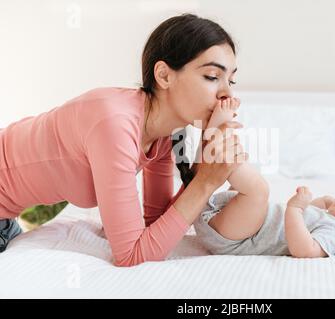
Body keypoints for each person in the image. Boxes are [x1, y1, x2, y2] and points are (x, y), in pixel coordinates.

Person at [0, 13, 247, 266]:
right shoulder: (114, 123)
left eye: (231, 80)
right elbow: (131, 255)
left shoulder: (163, 134)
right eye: (212, 77)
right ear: (164, 76)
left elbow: (157, 224)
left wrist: (201, 167)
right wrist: (204, 183)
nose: (227, 93)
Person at [193, 102, 335, 257]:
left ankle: (217, 140)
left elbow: (305, 250)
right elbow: (309, 220)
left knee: (258, 190)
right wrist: (319, 204)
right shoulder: (330, 221)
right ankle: (218, 145)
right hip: (229, 223)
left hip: (237, 238)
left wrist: (295, 209)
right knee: (250, 183)